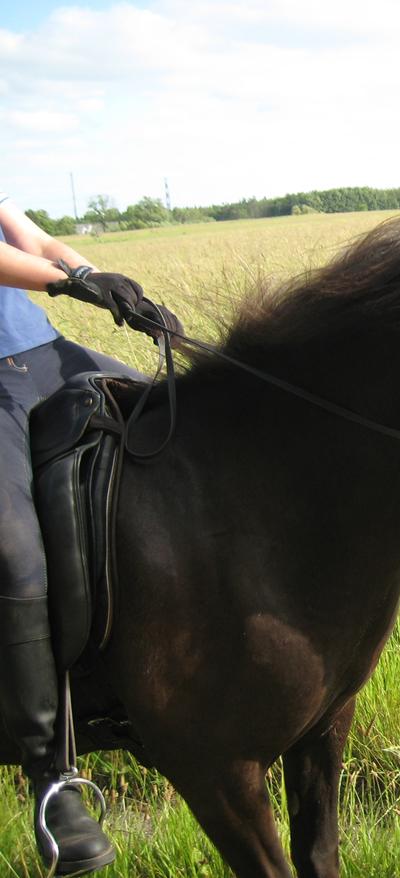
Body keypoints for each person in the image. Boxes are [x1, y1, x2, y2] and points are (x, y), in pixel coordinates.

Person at [0, 191, 147, 875]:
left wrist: (110, 284)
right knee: (16, 557)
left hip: (42, 350)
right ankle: (50, 781)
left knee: (184, 422)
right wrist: (74, 282)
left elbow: (32, 238)